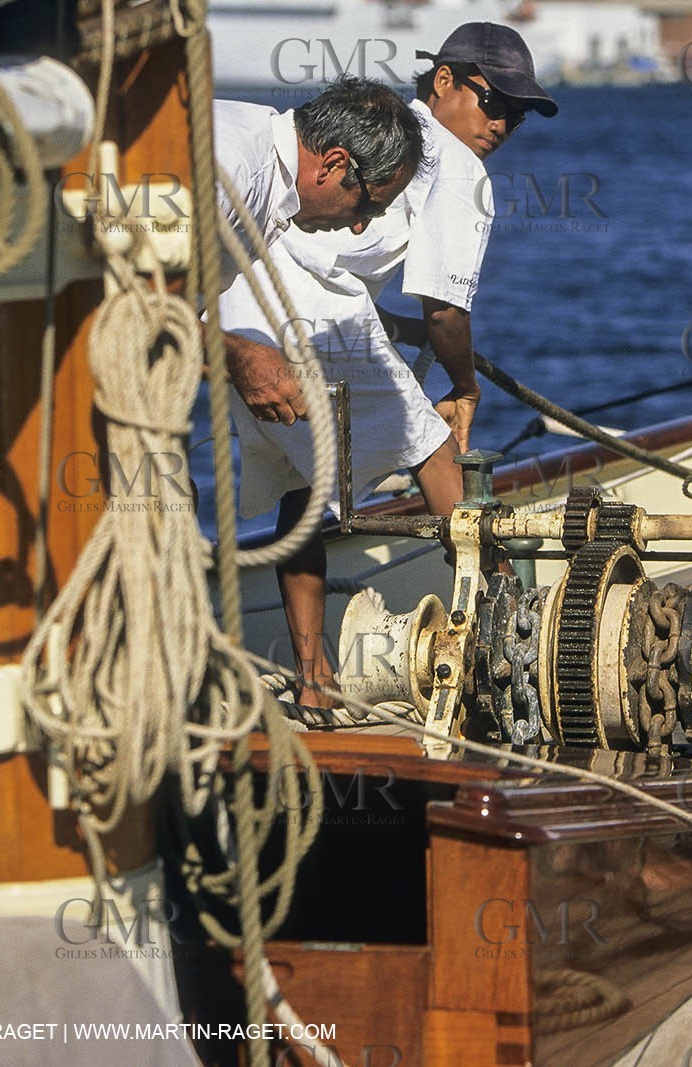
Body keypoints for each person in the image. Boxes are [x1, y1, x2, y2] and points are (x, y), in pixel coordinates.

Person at [226, 25, 557, 711]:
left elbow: (354, 268)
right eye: (493, 102)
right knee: (434, 450)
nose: (501, 124)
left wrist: (399, 333)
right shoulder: (459, 170)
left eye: (517, 115)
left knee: (302, 482)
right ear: (443, 81)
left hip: (243, 300)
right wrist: (463, 386)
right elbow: (443, 311)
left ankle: (314, 681)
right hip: (309, 314)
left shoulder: (377, 126)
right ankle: (514, 641)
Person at [213, 75, 425, 425]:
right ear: (333, 164)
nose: (359, 226)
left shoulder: (262, 157)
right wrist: (239, 356)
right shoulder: (235, 174)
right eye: (368, 207)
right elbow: (123, 300)